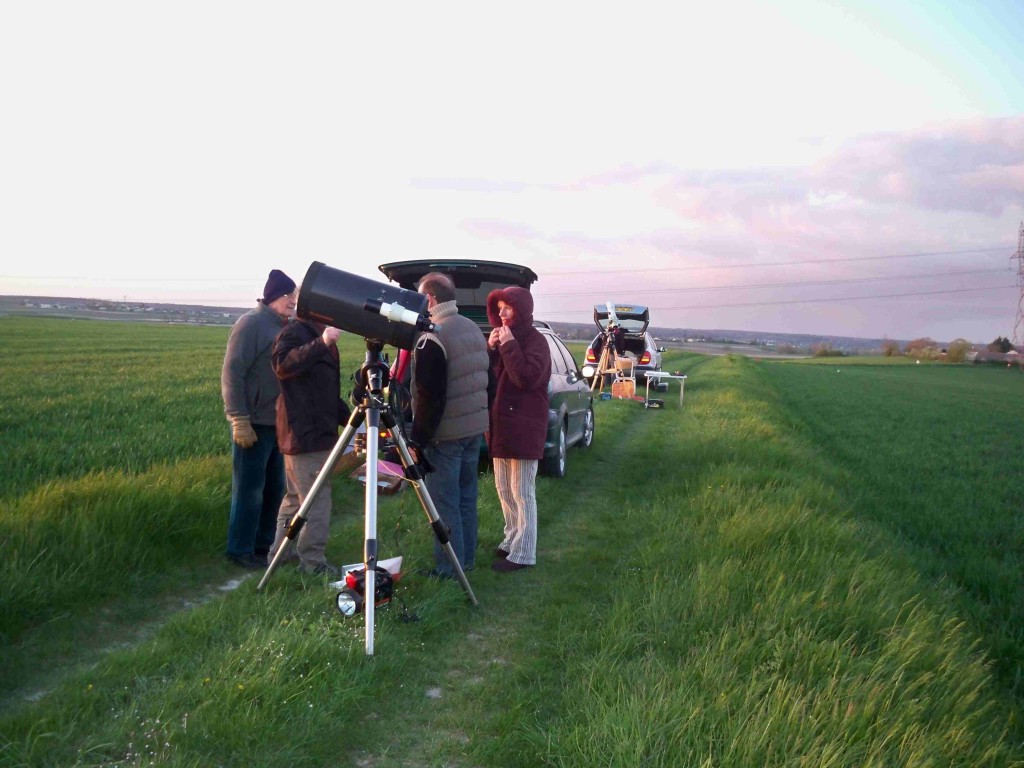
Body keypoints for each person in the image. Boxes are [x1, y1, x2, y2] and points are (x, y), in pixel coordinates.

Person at [408, 272, 490, 578]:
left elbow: (430, 398)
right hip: (471, 429)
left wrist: (417, 441)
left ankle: (448, 570)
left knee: (445, 504)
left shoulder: (433, 337)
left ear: (430, 299)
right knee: (467, 498)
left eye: (420, 298)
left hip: (445, 436)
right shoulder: (472, 328)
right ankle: (466, 560)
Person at [221, 269, 296, 569]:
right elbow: (232, 373)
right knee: (249, 489)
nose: (293, 301)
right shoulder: (251, 324)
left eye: (294, 296)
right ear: (274, 298)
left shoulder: (283, 326)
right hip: (252, 423)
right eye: (288, 296)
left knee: (273, 488)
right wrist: (238, 418)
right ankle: (239, 550)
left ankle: (264, 546)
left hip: (276, 422)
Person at [268, 312, 350, 577]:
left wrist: (350, 418)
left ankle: (280, 554)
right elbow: (282, 365)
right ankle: (313, 563)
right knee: (315, 500)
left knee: (296, 500)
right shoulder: (296, 333)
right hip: (304, 433)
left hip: (313, 431)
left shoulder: (314, 334)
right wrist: (321, 343)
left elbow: (325, 390)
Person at [485, 285, 551, 572]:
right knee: (503, 489)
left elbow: (525, 377)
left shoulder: (537, 342)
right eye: (498, 308)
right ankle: (511, 540)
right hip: (501, 426)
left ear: (521, 310)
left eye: (507, 308)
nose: (501, 313)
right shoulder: (502, 340)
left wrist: (509, 345)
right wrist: (491, 349)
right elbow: (493, 379)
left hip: (524, 428)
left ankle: (524, 553)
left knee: (522, 491)